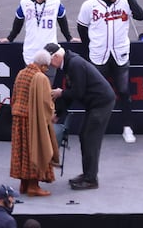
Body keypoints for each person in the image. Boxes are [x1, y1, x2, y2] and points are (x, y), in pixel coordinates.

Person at [76, 0, 143, 144]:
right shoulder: (90, 5)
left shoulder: (125, 2)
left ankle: (127, 127)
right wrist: (90, 46)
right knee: (95, 94)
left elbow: (140, 15)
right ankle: (93, 128)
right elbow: (81, 28)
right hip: (98, 55)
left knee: (123, 92)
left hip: (120, 54)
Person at [46, 43, 114, 189]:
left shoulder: (75, 64)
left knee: (90, 139)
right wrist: (59, 114)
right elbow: (72, 91)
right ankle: (88, 174)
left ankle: (91, 179)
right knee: (85, 136)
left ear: (57, 57)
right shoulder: (69, 63)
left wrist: (61, 93)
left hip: (102, 103)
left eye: (50, 61)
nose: (50, 65)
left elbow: (78, 92)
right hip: (95, 103)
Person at [9, 49, 57, 196]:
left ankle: (23, 184)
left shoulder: (21, 73)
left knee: (21, 152)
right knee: (34, 151)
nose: (47, 70)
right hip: (32, 120)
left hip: (17, 117)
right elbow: (45, 102)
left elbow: (14, 96)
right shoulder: (40, 78)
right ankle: (33, 186)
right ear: (42, 65)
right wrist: (52, 114)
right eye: (46, 67)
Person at [5, 0, 72, 65]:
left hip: (50, 51)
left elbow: (62, 22)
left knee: (48, 79)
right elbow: (17, 23)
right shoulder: (25, 3)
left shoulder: (55, 3)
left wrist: (69, 38)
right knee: (32, 79)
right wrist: (9, 39)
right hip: (31, 51)